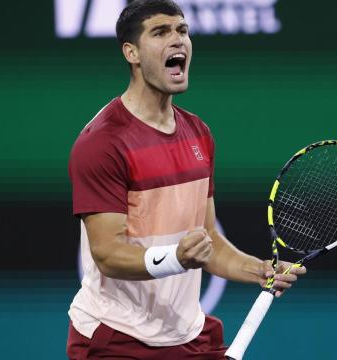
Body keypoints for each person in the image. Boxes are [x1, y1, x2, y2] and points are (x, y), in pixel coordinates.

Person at [66, 1, 306, 358]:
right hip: (118, 339)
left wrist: (259, 270)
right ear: (131, 52)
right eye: (161, 32)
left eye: (182, 31)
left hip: (187, 335)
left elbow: (208, 239)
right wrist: (176, 257)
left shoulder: (198, 133)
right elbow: (108, 254)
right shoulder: (103, 143)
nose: (177, 41)